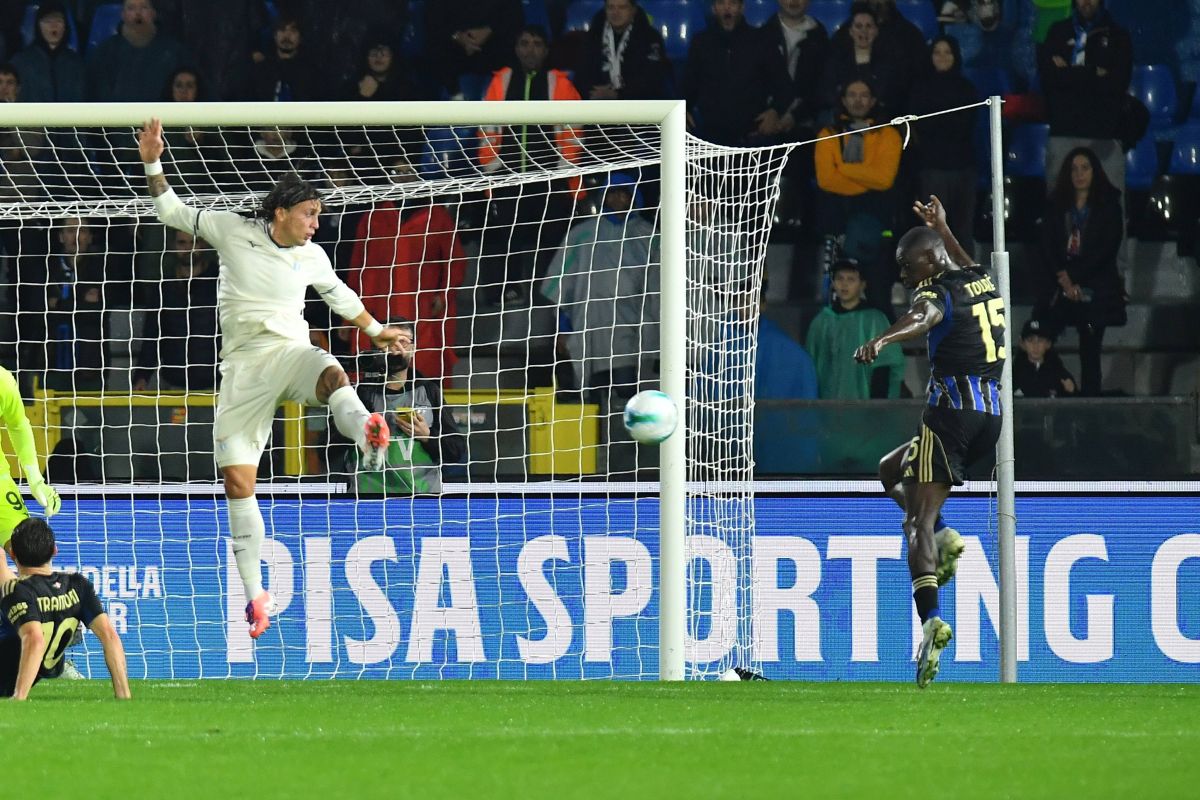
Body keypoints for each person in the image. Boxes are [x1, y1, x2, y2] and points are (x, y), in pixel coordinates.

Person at [137, 117, 402, 640]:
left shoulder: (312, 256)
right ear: (281, 212)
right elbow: (170, 210)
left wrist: (376, 331)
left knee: (329, 371)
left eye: (318, 215)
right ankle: (256, 595)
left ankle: (366, 432)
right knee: (238, 482)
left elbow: (339, 295)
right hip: (243, 369)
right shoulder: (232, 229)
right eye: (309, 214)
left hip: (289, 352)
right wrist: (152, 160)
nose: (316, 224)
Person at [854, 194, 1006, 688]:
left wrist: (883, 338)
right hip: (990, 418)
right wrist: (944, 226)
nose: (902, 274)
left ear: (929, 260)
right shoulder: (980, 278)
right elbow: (960, 261)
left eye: (907, 265)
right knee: (889, 469)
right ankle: (942, 536)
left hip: (951, 415)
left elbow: (923, 316)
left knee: (915, 521)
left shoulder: (936, 291)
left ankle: (931, 622)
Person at [477, 25, 581, 307]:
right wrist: (492, 169)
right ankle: (506, 291)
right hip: (508, 176)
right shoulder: (501, 81)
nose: (530, 49)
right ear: (516, 48)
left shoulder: (559, 83)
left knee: (551, 239)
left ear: (546, 50)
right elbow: (486, 128)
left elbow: (573, 131)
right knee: (504, 235)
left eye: (536, 43)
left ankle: (547, 294)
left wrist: (564, 172)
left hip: (550, 177)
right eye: (524, 43)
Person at [541, 172, 659, 402]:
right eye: (611, 194)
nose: (617, 200)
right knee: (593, 392)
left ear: (634, 197)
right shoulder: (582, 235)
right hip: (589, 325)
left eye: (623, 194)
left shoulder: (650, 236)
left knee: (628, 390)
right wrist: (563, 327)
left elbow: (659, 288)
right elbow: (562, 283)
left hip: (632, 329)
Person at [346, 167, 467, 386]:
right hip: (379, 306)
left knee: (424, 366)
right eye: (395, 171)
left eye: (408, 170)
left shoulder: (436, 217)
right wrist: (347, 317)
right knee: (375, 370)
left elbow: (455, 261)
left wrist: (443, 295)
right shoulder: (374, 217)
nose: (402, 177)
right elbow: (357, 266)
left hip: (422, 308)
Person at [0, 518, 129, 700]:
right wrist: (124, 696)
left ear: (13, 554)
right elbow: (110, 636)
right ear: (55, 550)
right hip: (44, 665)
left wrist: (19, 697)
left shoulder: (15, 590)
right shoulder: (79, 585)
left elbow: (34, 639)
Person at [1036, 146, 1125, 396]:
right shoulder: (1056, 205)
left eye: (1085, 168)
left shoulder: (1109, 206)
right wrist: (1064, 279)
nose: (1079, 174)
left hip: (1096, 286)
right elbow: (1047, 245)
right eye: (1074, 169)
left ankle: (1090, 401)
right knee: (1039, 332)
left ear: (1095, 171)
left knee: (1090, 346)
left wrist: (1075, 276)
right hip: (1060, 284)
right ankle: (1052, 388)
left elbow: (1107, 248)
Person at [340, 319, 466, 494]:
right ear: (375, 347)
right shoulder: (357, 394)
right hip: (368, 498)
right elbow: (327, 450)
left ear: (413, 348)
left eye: (403, 342)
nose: (396, 348)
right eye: (388, 342)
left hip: (422, 498)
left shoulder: (429, 391)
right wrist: (355, 429)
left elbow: (457, 450)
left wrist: (428, 436)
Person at [1037, 0, 1132, 197]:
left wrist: (1069, 73)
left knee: (1109, 205)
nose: (1086, 2)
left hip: (1104, 134)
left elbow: (1116, 84)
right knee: (1059, 204)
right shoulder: (1057, 32)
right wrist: (1093, 72)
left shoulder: (1118, 36)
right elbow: (1049, 79)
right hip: (1063, 130)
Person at [684, 0, 793, 147]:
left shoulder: (762, 40)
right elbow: (688, 86)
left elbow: (785, 86)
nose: (727, 8)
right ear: (714, 8)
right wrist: (683, 109)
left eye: (733, 3)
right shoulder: (700, 43)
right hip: (711, 136)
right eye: (721, 3)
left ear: (742, 8)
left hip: (752, 136)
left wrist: (775, 111)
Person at [909, 36, 979, 254]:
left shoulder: (967, 88)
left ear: (955, 56)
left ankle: (966, 272)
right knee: (934, 230)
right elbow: (921, 126)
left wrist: (937, 122)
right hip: (932, 167)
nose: (942, 57)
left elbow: (965, 125)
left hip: (963, 168)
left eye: (947, 52)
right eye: (937, 52)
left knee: (962, 229)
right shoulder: (919, 89)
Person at [132, 229, 220, 392]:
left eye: (194, 242)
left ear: (203, 245)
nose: (188, 248)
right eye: (182, 243)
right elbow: (152, 336)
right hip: (175, 383)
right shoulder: (163, 289)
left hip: (216, 383)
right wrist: (142, 377)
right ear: (173, 245)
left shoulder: (220, 286)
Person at [806, 258, 904, 399]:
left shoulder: (874, 320)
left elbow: (885, 364)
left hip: (864, 404)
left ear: (862, 285)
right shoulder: (822, 321)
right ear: (833, 283)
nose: (844, 284)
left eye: (851, 279)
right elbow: (810, 364)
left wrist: (877, 404)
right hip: (827, 405)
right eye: (840, 278)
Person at [0, 366, 61, 566]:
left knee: (30, 552)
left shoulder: (2, 381)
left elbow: (17, 425)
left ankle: (41, 586)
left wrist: (35, 479)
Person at [87, 0, 187, 103]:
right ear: (123, 15)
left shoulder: (174, 51)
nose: (138, 13)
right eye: (131, 8)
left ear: (153, 14)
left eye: (144, 7)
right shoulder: (105, 52)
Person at [573, 0, 671, 101]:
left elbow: (653, 80)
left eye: (622, 7)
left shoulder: (650, 38)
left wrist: (618, 95)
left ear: (633, 10)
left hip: (638, 104)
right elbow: (581, 75)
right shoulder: (593, 36)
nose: (616, 12)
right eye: (611, 7)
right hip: (597, 103)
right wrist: (594, 92)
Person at [425, 0, 524, 98]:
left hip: (496, 53)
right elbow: (433, 19)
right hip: (454, 55)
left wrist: (489, 30)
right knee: (436, 50)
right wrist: (458, 36)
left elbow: (515, 16)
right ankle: (456, 96)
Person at [10, 1, 85, 103]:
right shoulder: (20, 63)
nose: (53, 26)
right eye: (47, 21)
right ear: (38, 26)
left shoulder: (77, 64)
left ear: (65, 26)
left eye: (59, 21)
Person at [250, 13, 321, 103]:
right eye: (282, 30)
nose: (287, 35)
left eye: (293, 31)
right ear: (275, 36)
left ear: (300, 37)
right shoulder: (260, 71)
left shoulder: (313, 73)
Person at [1014, 318, 1076, 397]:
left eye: (1040, 340)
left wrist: (1071, 391)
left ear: (1048, 344)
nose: (1035, 345)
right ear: (1022, 344)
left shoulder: (1058, 373)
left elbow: (1074, 398)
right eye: (1030, 340)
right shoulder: (1014, 374)